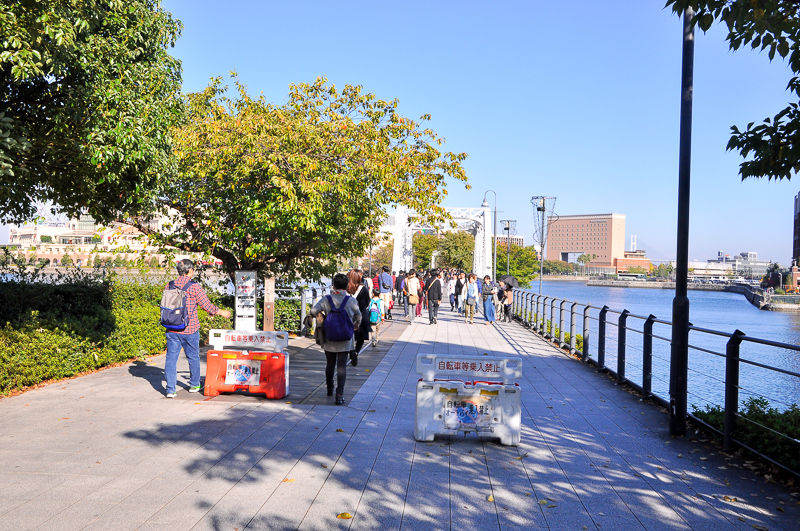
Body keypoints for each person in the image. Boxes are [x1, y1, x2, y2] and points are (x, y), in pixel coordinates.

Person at [163, 259, 231, 398]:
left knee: (171, 359)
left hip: (171, 328)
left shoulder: (168, 285)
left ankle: (170, 390)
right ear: (190, 271)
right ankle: (194, 385)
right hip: (190, 328)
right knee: (193, 357)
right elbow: (207, 306)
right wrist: (222, 312)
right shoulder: (194, 287)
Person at [310, 273, 362, 405]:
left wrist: (323, 316)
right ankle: (340, 394)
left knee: (330, 364)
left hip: (330, 337)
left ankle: (329, 388)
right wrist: (355, 324)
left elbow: (313, 311)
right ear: (347, 286)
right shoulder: (351, 300)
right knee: (342, 366)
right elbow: (359, 317)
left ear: (334, 285)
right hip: (345, 338)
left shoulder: (326, 299)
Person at [347, 269, 370, 367]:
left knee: (349, 336)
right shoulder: (363, 289)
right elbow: (367, 301)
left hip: (349, 315)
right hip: (361, 314)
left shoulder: (346, 288)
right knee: (361, 337)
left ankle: (351, 350)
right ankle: (356, 352)